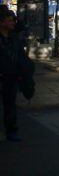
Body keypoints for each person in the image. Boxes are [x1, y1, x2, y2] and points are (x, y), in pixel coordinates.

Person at [0, 11, 34, 141]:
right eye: (10, 20)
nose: (13, 22)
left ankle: (11, 130)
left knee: (10, 104)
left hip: (11, 76)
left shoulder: (14, 38)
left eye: (14, 20)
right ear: (1, 22)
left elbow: (21, 56)